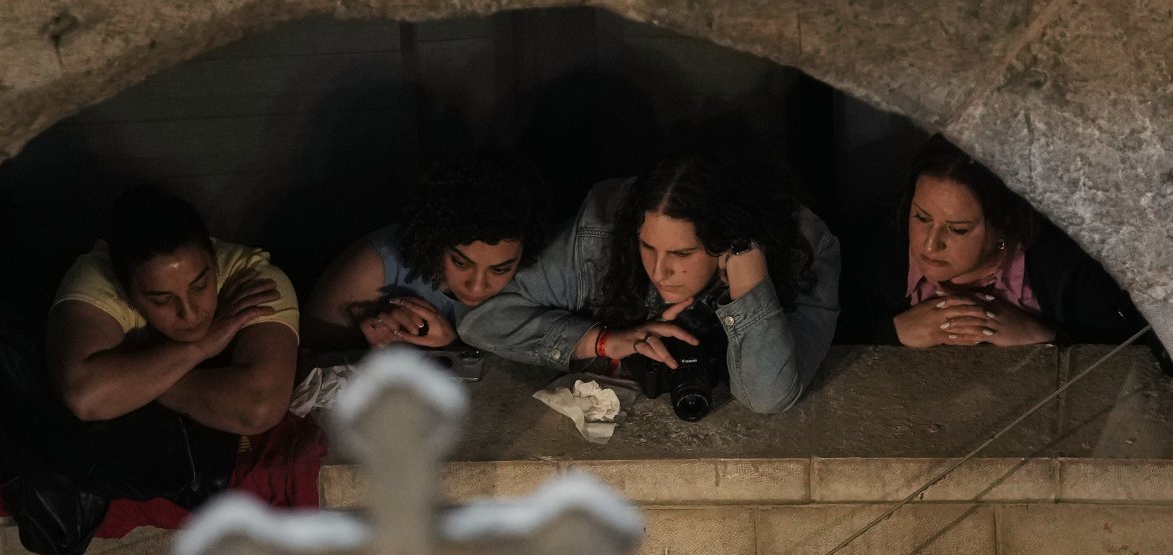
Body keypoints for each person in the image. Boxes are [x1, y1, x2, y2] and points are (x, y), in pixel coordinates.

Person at [459, 155, 841, 414]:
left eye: (682, 253)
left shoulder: (803, 249)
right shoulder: (601, 231)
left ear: (724, 242)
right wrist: (601, 340)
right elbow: (480, 318)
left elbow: (767, 395)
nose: (659, 271)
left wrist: (749, 282)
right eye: (647, 246)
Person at [839, 135, 1146, 347]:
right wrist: (893, 333)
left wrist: (1045, 336)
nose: (930, 245)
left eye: (958, 230)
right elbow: (830, 346)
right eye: (921, 217)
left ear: (1005, 225)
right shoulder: (873, 248)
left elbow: (1129, 360)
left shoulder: (1070, 268)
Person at [47, 186, 299, 436]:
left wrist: (131, 382)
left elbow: (257, 408)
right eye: (161, 300)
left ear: (214, 263)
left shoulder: (251, 279)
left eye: (200, 286)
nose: (189, 314)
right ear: (126, 291)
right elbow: (86, 397)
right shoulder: (97, 279)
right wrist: (200, 348)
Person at [302, 152, 548, 351]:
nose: (476, 287)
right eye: (460, 263)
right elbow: (306, 355)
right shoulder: (373, 267)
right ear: (435, 238)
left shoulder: (538, 278)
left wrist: (451, 349)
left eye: (501, 269)